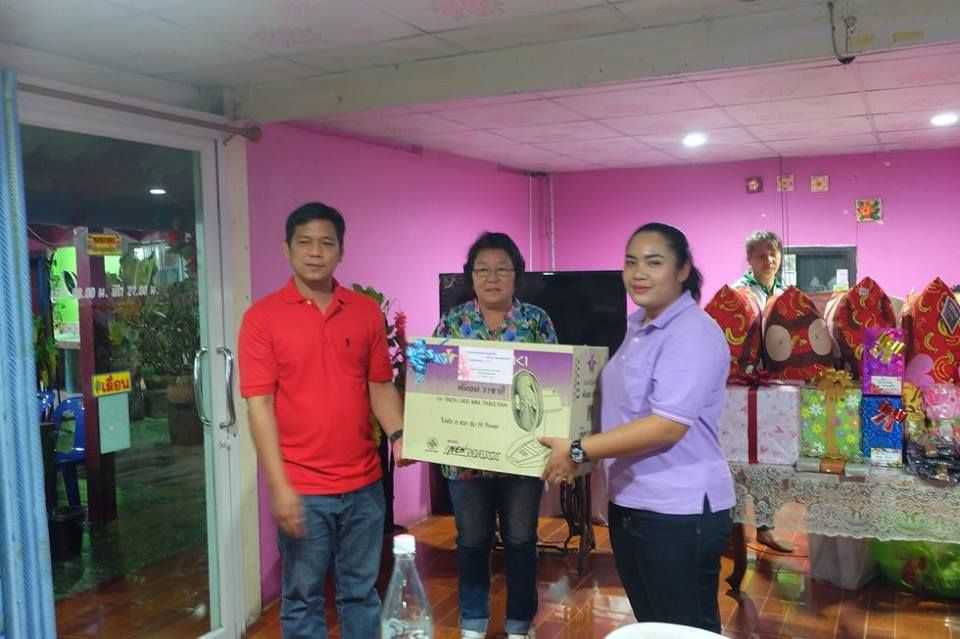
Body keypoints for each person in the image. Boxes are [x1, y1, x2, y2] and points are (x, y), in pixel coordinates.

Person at [540, 223, 734, 633]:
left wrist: (580, 450)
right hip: (631, 500)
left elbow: (666, 427)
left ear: (683, 270)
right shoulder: (635, 327)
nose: (638, 273)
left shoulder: (692, 333)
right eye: (630, 262)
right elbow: (620, 410)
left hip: (678, 510)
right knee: (652, 624)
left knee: (683, 628)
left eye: (654, 262)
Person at [238, 202, 408, 639]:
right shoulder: (261, 318)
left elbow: (379, 386)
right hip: (302, 488)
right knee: (302, 599)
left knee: (361, 593)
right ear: (287, 248)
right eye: (305, 242)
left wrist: (399, 434)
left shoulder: (365, 312)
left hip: (364, 486)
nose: (315, 252)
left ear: (341, 251)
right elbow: (259, 406)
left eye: (326, 243)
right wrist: (279, 486)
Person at [435, 231, 557, 639]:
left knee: (521, 540)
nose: (492, 277)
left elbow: (553, 386)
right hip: (465, 458)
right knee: (472, 540)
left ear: (516, 275)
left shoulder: (536, 321)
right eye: (482, 270)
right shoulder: (453, 322)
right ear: (471, 276)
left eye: (501, 269)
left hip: (522, 456)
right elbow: (434, 383)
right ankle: (473, 622)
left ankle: (519, 624)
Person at [732, 230, 794, 553]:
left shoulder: (785, 294)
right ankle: (730, 533)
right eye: (760, 255)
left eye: (773, 253)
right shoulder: (738, 294)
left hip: (774, 391)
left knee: (769, 459)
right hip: (740, 392)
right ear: (749, 259)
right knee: (737, 458)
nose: (768, 260)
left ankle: (765, 527)